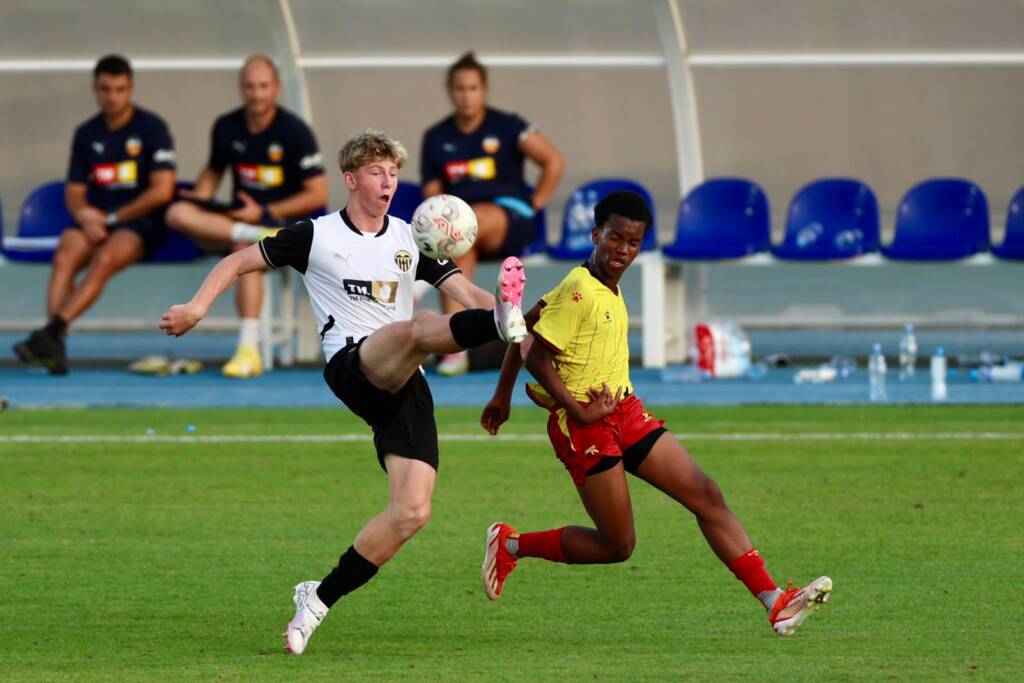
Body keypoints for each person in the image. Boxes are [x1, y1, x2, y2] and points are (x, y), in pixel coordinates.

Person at [159, 130, 528, 655]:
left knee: (412, 512)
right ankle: (500, 325)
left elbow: (463, 292)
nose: (388, 182)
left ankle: (317, 598)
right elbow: (237, 262)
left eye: (394, 174)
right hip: (354, 364)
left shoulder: (411, 237)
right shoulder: (316, 235)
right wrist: (197, 307)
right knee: (417, 328)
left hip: (405, 385)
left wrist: (492, 302)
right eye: (377, 173)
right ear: (351, 179)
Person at [479, 191, 832, 637]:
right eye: (614, 238)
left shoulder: (602, 285)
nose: (622, 250)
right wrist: (575, 409)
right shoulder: (578, 290)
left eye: (633, 242)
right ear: (595, 234)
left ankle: (774, 601)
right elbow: (537, 356)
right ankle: (510, 543)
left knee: (706, 494)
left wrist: (501, 396)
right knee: (617, 545)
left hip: (623, 410)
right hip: (583, 425)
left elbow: (523, 328)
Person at [164, 54, 328, 378]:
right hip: (238, 223)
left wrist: (266, 212)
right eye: (250, 87)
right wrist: (201, 197)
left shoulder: (295, 132)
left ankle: (248, 349)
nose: (257, 94)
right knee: (177, 213)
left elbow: (317, 194)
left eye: (263, 86)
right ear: (242, 89)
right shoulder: (226, 126)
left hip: (280, 227)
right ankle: (246, 232)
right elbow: (212, 173)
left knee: (244, 253)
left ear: (276, 88)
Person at [13, 54, 176, 376]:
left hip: (138, 224)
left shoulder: (152, 128)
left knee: (105, 258)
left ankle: (52, 332)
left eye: (119, 89)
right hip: (95, 220)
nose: (112, 97)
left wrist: (113, 219)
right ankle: (55, 343)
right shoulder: (86, 133)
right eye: (105, 89)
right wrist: (86, 216)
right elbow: (74, 192)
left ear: (130, 89)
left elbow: (162, 190)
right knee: (66, 254)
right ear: (95, 89)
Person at [420, 50, 564, 376]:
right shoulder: (436, 136)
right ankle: (455, 348)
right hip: (460, 228)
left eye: (473, 88)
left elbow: (553, 160)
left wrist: (536, 201)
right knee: (459, 247)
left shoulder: (508, 126)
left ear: (483, 90)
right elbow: (432, 193)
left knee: (471, 221)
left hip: (509, 218)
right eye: (459, 88)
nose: (466, 95)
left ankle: (420, 289)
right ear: (450, 91)